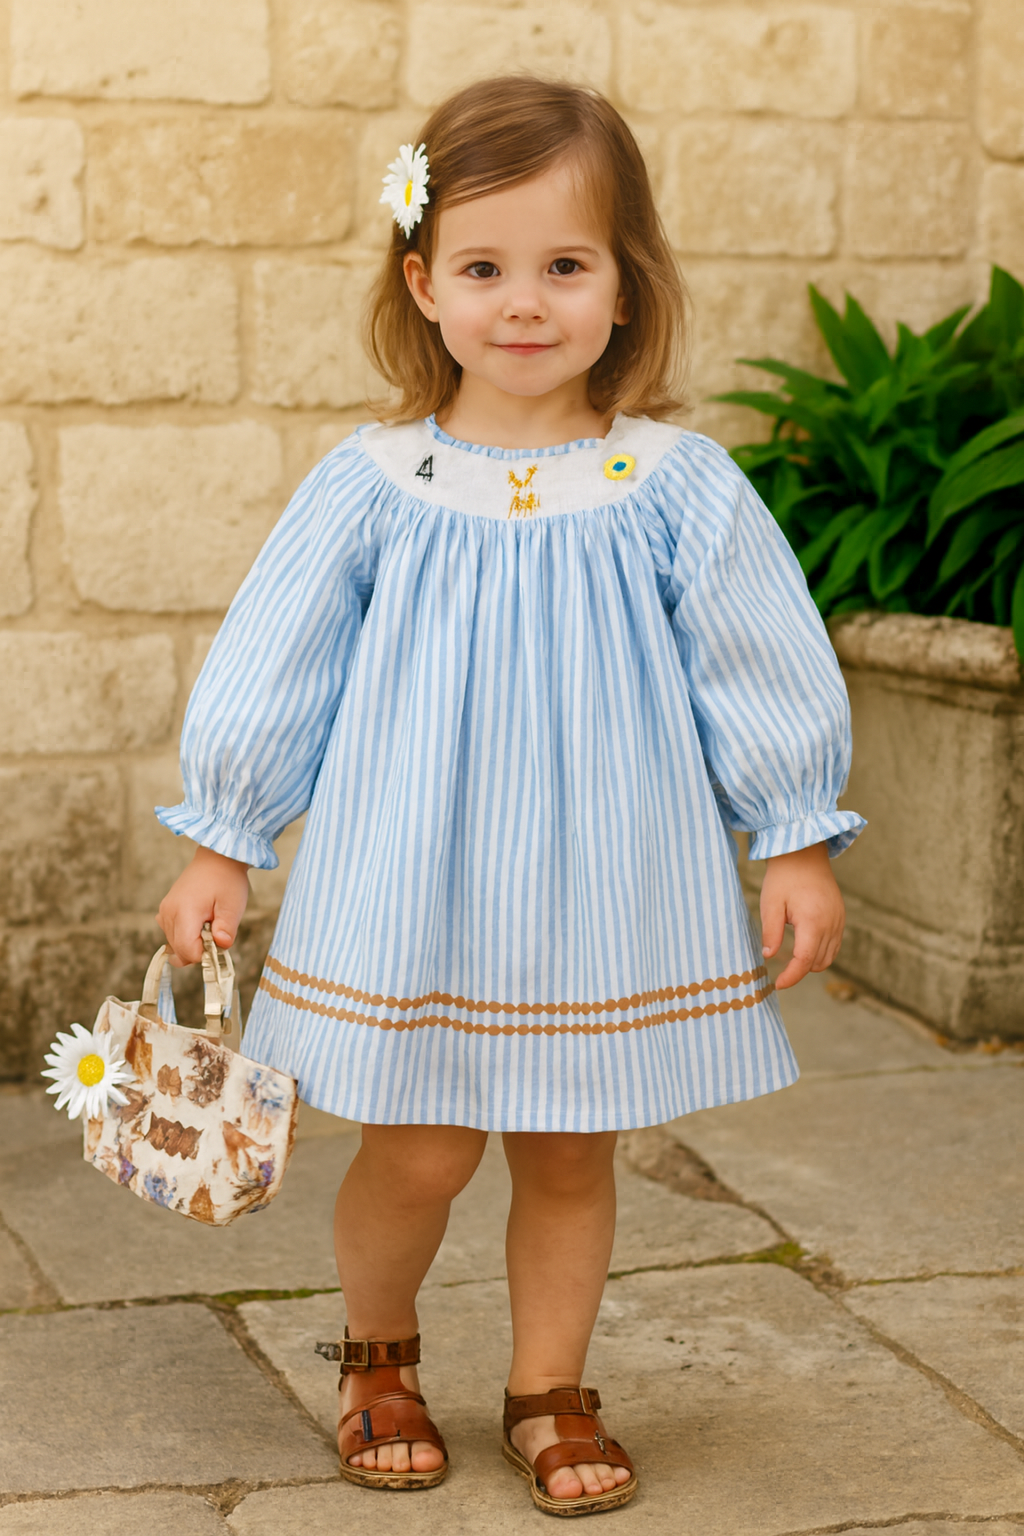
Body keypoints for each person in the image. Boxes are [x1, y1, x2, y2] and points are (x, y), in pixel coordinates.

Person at [154, 75, 864, 1518]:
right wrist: (227, 833)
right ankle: (378, 1351)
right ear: (422, 282)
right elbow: (277, 661)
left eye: (565, 265)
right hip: (414, 869)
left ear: (626, 284)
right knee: (417, 1149)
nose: (523, 302)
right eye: (483, 268)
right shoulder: (375, 483)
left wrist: (793, 832)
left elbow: (757, 660)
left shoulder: (675, 485)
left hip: (601, 877)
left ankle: (550, 1385)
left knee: (568, 1143)